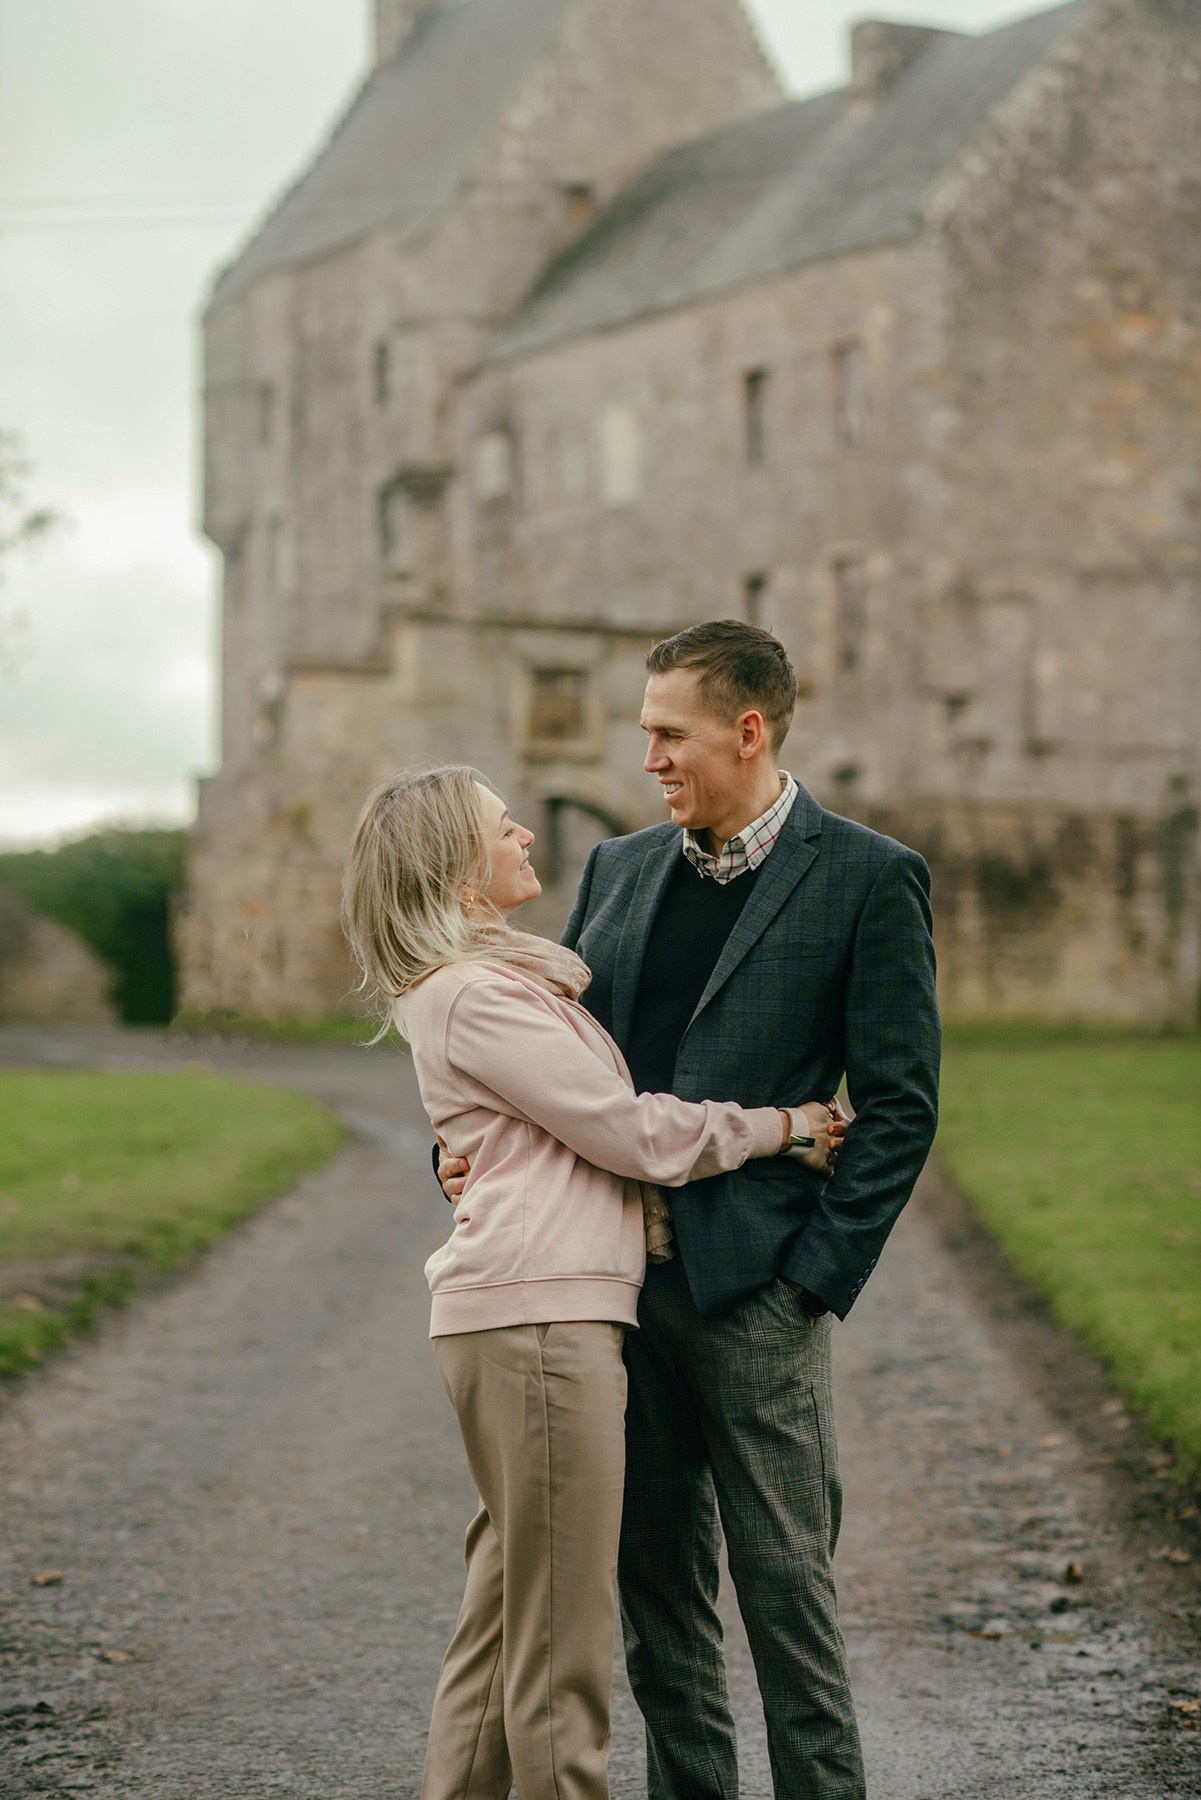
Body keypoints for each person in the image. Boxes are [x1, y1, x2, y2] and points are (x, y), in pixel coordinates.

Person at [441, 620, 941, 1799]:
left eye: (671, 733)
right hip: (610, 1293)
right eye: (645, 731)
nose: (649, 754)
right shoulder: (616, 870)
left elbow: (901, 1106)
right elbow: (546, 1062)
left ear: (749, 730)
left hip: (757, 1295)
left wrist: (810, 1281)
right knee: (659, 1610)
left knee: (788, 1606)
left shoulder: (870, 876)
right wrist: (452, 1155)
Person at [340, 763, 846, 1800]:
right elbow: (627, 1133)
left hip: (519, 1312)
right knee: (562, 1641)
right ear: (456, 868)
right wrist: (783, 1127)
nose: (525, 831)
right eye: (499, 826)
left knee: (501, 1621)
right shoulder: (480, 993)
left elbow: (526, 1129)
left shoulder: (488, 982)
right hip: (539, 1324)